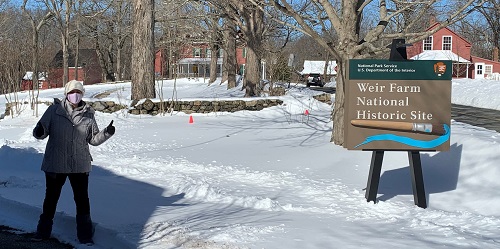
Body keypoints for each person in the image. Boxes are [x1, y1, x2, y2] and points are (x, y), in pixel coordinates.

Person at [32, 80, 115, 245]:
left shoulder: (88, 114)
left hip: (79, 164)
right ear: (66, 94)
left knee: (82, 200)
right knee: (51, 199)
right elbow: (40, 132)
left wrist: (106, 133)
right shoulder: (53, 111)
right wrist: (39, 131)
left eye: (78, 92)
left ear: (82, 94)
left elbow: (93, 139)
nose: (74, 95)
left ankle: (85, 236)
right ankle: (43, 232)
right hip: (56, 163)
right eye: (72, 92)